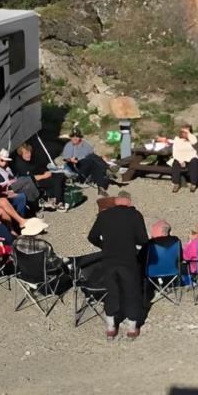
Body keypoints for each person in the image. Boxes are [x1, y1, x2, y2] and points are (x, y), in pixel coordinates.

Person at [87, 190, 149, 340]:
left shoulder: (104, 215)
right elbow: (143, 239)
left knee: (112, 291)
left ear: (116, 201)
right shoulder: (135, 215)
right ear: (129, 201)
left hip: (109, 259)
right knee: (131, 292)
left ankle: (110, 327)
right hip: (128, 260)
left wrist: (104, 246)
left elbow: (92, 236)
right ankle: (132, 328)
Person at [13, 142, 68, 211]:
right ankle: (59, 202)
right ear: (21, 154)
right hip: (32, 183)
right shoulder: (20, 164)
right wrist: (44, 176)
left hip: (41, 176)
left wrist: (46, 171)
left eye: (29, 152)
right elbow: (30, 178)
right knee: (56, 179)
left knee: (59, 175)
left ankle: (56, 198)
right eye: (26, 153)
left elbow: (39, 167)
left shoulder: (31, 159)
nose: (28, 155)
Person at [61, 128, 113, 197]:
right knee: (92, 159)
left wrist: (101, 157)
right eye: (73, 136)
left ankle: (101, 188)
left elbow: (94, 154)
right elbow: (66, 159)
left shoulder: (85, 144)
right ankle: (107, 168)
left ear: (80, 137)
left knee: (95, 164)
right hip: (77, 166)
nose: (75, 138)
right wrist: (71, 159)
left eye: (77, 136)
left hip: (88, 165)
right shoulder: (69, 146)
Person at [0, 148, 37, 214]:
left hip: (13, 184)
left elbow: (12, 177)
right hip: (8, 189)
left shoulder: (6, 168)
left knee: (27, 186)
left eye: (5, 160)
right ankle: (36, 202)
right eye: (2, 160)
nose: (5, 162)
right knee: (26, 179)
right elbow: (1, 186)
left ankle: (34, 206)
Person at [168, 125, 198, 193]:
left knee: (194, 162)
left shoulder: (192, 139)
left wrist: (188, 134)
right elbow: (175, 151)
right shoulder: (177, 139)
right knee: (175, 162)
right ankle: (176, 184)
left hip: (191, 157)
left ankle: (193, 184)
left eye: (186, 131)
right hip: (180, 158)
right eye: (183, 131)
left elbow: (194, 141)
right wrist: (180, 160)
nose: (184, 133)